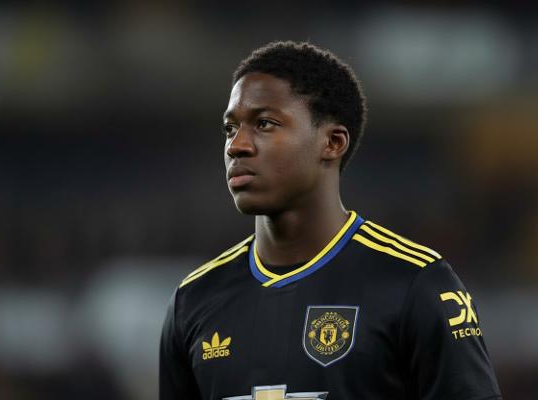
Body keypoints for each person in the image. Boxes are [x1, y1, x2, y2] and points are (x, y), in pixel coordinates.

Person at [160, 41, 501, 400]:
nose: (236, 146)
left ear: (333, 143)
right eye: (231, 128)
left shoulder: (416, 284)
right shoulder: (193, 301)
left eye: (264, 123)